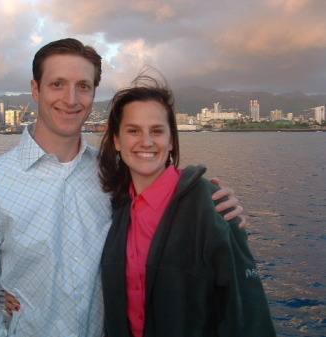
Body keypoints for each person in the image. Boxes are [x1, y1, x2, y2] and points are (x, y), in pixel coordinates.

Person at [0, 38, 244, 336]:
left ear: (93, 93)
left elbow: (167, 200)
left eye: (83, 86)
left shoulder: (114, 175)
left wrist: (216, 205)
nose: (71, 99)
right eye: (57, 84)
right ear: (36, 89)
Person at [97, 74, 275, 336]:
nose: (146, 141)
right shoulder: (117, 206)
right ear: (116, 140)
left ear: (171, 141)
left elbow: (247, 313)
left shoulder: (211, 205)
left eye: (157, 131)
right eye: (133, 130)